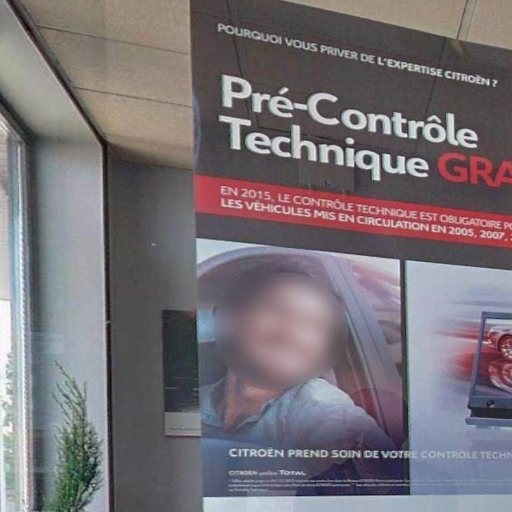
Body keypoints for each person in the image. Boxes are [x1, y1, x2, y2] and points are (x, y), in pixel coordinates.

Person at [201, 259, 398, 487]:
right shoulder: (198, 399)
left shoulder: (319, 404)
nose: (291, 334)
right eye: (276, 311)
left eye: (315, 325)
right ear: (231, 318)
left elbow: (382, 481)